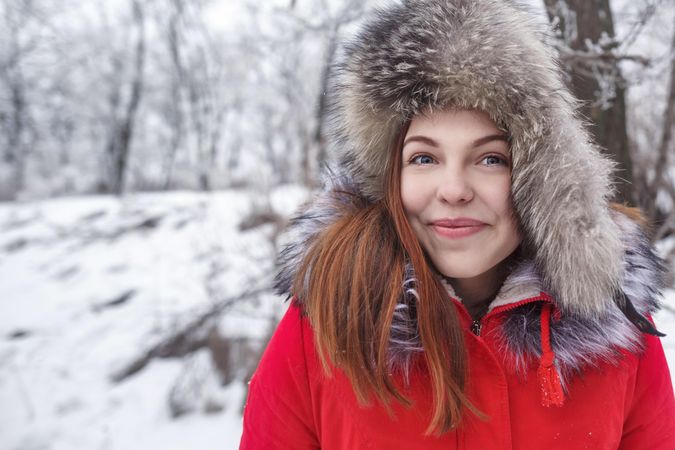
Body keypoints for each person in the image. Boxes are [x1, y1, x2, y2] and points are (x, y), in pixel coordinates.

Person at [239, 0, 675, 448]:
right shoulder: (325, 322)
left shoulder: (617, 332)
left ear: (540, 176)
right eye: (424, 158)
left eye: (490, 158)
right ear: (391, 176)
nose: (453, 189)